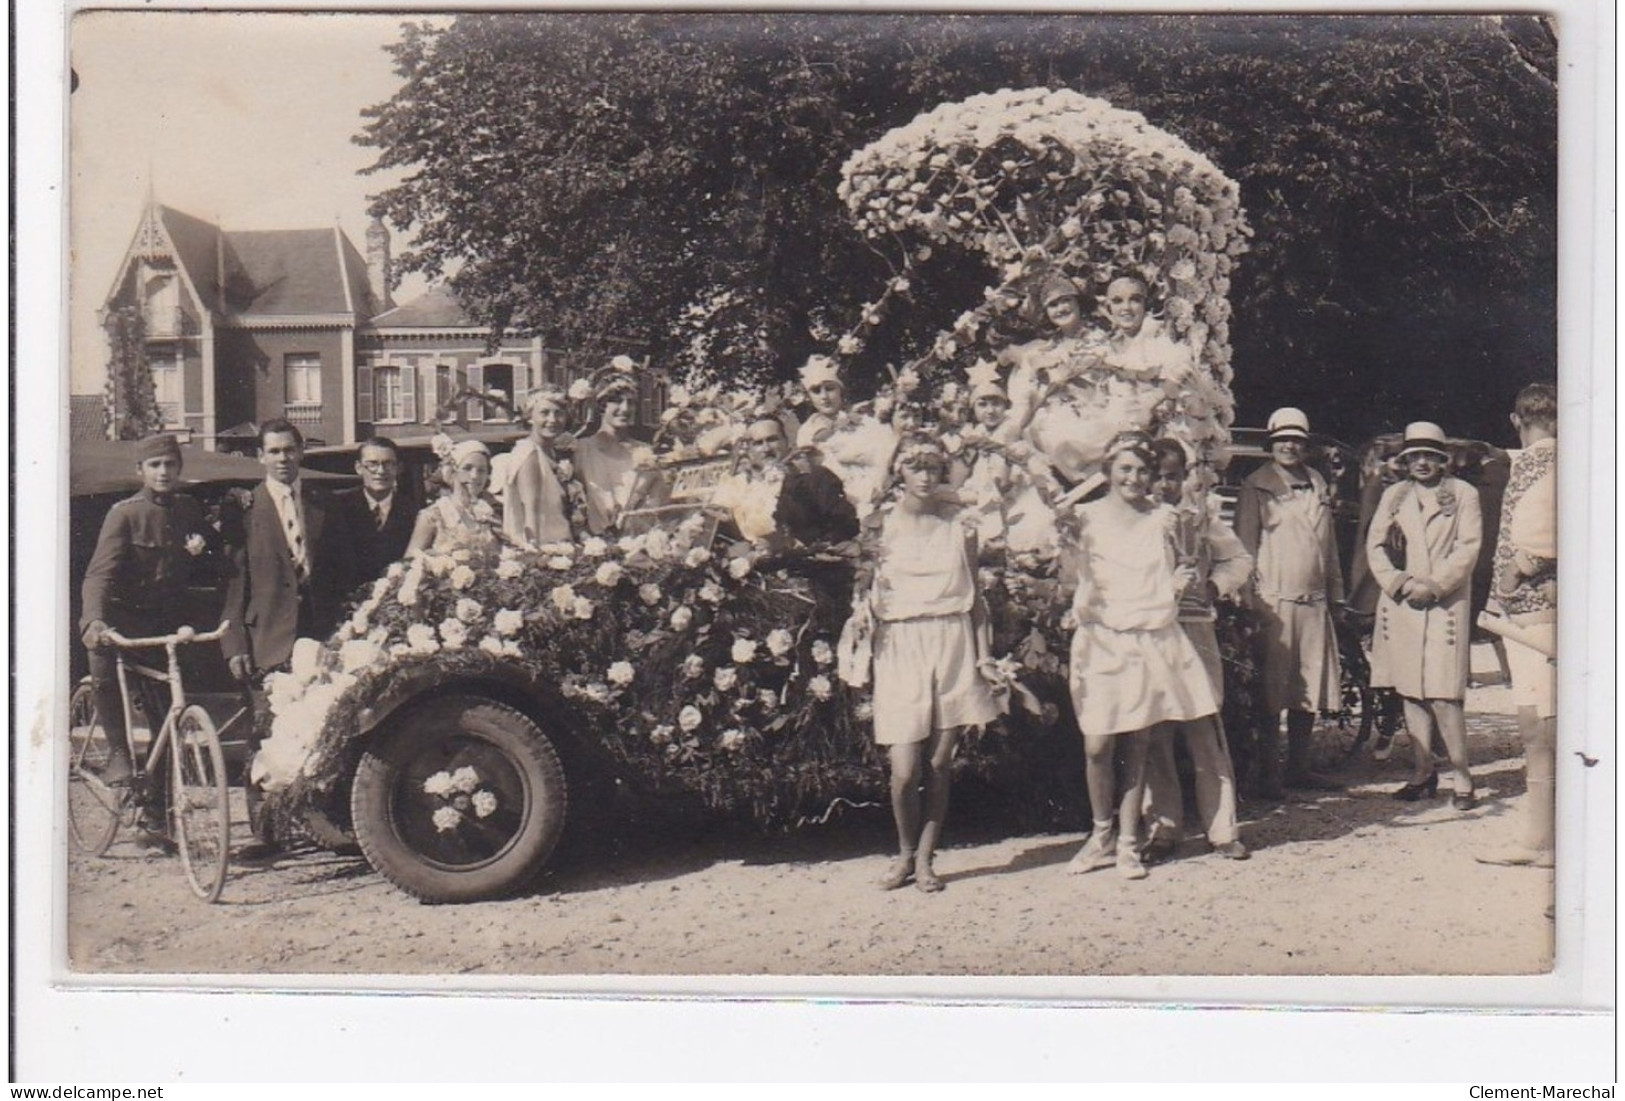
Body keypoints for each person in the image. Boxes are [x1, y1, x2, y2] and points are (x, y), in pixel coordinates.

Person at [1065, 432, 1218, 880]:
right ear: (1109, 470)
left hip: (1149, 636)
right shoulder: (1083, 517)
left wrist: (1182, 581)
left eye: (1142, 471)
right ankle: (1100, 835)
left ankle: (1129, 842)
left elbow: (1183, 565)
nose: (1134, 478)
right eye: (1125, 469)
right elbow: (1070, 576)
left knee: (1138, 742)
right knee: (1097, 744)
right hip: (1102, 639)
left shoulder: (1165, 519)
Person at [855, 434, 1000, 893]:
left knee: (939, 763)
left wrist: (985, 658)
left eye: (932, 467)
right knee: (904, 770)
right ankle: (902, 851)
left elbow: (976, 602)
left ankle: (925, 859)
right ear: (899, 470)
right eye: (914, 466)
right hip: (899, 644)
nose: (924, 476)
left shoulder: (961, 527)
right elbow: (862, 595)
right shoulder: (878, 525)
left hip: (951, 639)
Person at [221, 419, 355, 855]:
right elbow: (233, 583)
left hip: (317, 637)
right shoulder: (243, 508)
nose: (283, 459)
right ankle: (266, 833)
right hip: (268, 636)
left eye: (289, 450)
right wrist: (234, 645)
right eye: (274, 452)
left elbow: (336, 572)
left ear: (301, 453)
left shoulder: (322, 505)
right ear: (260, 457)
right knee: (264, 731)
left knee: (322, 726)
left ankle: (326, 824)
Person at [80, 434, 219, 841]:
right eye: (155, 465)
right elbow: (98, 575)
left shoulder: (189, 508)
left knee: (166, 716)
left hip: (164, 624)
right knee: (103, 668)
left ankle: (155, 813)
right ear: (140, 470)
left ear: (179, 469)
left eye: (170, 465)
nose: (163, 472)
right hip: (121, 621)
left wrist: (203, 548)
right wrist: (94, 622)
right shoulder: (123, 514)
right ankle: (119, 758)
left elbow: (211, 560)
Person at [1140, 438, 1252, 863]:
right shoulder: (1135, 519)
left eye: (1172, 477)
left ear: (1185, 476)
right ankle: (1163, 827)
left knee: (1204, 726)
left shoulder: (1200, 515)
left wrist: (1213, 586)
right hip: (1147, 630)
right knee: (1154, 729)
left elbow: (1238, 559)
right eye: (1156, 477)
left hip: (1193, 628)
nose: (1162, 486)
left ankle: (1222, 828)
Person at [1365, 421, 1484, 810]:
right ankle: (1422, 771)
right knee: (1411, 691)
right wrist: (1398, 582)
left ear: (1443, 460)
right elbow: (1376, 544)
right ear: (1404, 461)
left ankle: (1462, 777)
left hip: (1443, 603)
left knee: (1444, 694)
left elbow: (1468, 547)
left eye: (1429, 456)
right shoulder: (1395, 496)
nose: (1421, 463)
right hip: (1402, 602)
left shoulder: (1463, 494)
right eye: (1414, 456)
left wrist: (1433, 585)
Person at [1233, 406, 1345, 798]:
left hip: (1314, 603)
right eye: (1282, 440)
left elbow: (1327, 548)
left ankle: (1299, 767)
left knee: (1307, 687)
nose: (1289, 446)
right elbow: (1244, 548)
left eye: (1296, 440)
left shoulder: (1316, 482)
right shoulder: (1257, 486)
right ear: (1271, 444)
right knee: (1271, 692)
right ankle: (1268, 775)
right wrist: (1248, 601)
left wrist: (1336, 595)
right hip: (1273, 602)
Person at [1476, 383, 1557, 868]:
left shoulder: (1537, 463)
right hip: (1538, 613)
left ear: (1515, 420)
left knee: (1539, 728)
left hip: (1534, 613)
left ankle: (1539, 842)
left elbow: (1544, 529)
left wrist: (1518, 569)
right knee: (1542, 726)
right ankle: (1543, 837)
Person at [794, 354, 895, 519]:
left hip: (877, 497)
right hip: (837, 506)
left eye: (830, 388)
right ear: (809, 396)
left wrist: (876, 493)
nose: (824, 397)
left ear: (841, 389)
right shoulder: (807, 433)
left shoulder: (866, 422)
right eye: (816, 391)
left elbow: (886, 458)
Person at [494, 387, 584, 546]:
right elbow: (530, 513)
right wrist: (535, 556)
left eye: (558, 413)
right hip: (544, 549)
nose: (553, 420)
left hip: (563, 546)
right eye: (544, 413)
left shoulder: (553, 453)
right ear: (530, 417)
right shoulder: (528, 453)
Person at [575, 363, 658, 535]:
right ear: (602, 405)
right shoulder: (581, 450)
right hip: (592, 544)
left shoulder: (645, 452)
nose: (625, 409)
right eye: (617, 401)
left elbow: (655, 505)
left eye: (631, 402)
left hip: (638, 544)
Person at [334, 436, 415, 584]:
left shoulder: (413, 511)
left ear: (398, 468)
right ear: (358, 468)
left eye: (388, 464)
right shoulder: (337, 507)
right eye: (372, 464)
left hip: (395, 600)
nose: (381, 471)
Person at [405, 438, 501, 556]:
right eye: (467, 468)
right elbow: (409, 564)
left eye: (482, 470)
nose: (475, 476)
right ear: (453, 471)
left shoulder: (492, 512)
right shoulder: (433, 515)